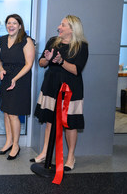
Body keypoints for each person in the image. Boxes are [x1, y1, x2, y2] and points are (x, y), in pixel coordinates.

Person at [32, 15, 88, 171]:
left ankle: (70, 157)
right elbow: (41, 62)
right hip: (51, 86)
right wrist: (48, 59)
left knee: (70, 124)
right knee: (50, 120)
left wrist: (61, 61)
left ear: (72, 29)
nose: (59, 27)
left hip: (71, 89)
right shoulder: (52, 41)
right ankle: (45, 152)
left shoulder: (81, 46)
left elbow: (76, 70)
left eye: (62, 25)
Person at [0, 14, 35, 160]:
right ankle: (8, 142)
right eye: (8, 23)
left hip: (20, 79)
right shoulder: (2, 40)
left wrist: (15, 78)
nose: (11, 25)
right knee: (6, 112)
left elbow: (29, 64)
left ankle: (16, 145)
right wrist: (0, 69)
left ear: (19, 25)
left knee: (13, 113)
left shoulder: (26, 40)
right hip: (6, 78)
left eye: (14, 23)